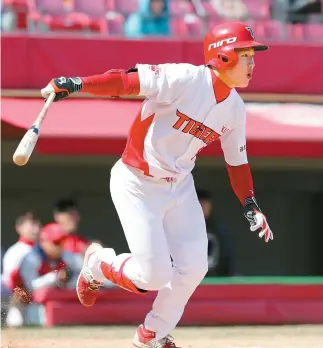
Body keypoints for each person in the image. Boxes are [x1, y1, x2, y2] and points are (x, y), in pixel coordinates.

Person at [41, 21, 274, 348]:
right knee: (153, 277)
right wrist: (79, 83)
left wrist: (250, 204)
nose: (252, 62)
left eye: (252, 55)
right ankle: (97, 264)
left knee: (194, 268)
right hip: (137, 182)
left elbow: (236, 162)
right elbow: (124, 82)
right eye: (245, 54)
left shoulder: (234, 108)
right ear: (222, 57)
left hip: (179, 185)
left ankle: (151, 334)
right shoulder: (184, 78)